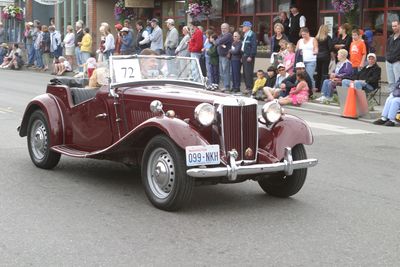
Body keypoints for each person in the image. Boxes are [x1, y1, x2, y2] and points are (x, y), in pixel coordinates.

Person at [215, 23, 233, 92]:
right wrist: (218, 42)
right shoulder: (221, 35)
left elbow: (219, 41)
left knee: (225, 72)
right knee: (222, 72)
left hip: (225, 56)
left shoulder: (228, 35)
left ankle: (227, 86)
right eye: (222, 28)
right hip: (220, 56)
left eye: (225, 28)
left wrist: (219, 42)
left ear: (228, 28)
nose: (223, 29)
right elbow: (216, 41)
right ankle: (225, 86)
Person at [315, 24, 333, 91]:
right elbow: (330, 47)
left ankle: (317, 87)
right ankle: (324, 88)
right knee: (324, 73)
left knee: (318, 72)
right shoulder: (328, 37)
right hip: (325, 56)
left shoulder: (316, 38)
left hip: (317, 56)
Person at [241, 21, 257, 92]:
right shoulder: (245, 34)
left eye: (244, 26)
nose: (242, 28)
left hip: (248, 56)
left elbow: (254, 46)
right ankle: (247, 86)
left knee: (248, 72)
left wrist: (251, 56)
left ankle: (250, 87)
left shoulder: (252, 34)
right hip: (244, 55)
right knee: (245, 72)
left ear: (248, 27)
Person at [385, 20, 400, 93]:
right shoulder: (390, 37)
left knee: (398, 82)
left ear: (399, 25)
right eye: (393, 26)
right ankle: (391, 97)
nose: (394, 27)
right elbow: (387, 49)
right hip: (389, 62)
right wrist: (387, 57)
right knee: (391, 82)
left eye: (395, 26)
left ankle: (397, 99)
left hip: (397, 62)